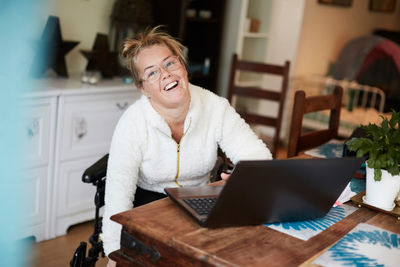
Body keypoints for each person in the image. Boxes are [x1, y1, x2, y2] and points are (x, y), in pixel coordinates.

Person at [101, 26, 272, 266]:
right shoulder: (132, 123)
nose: (165, 74)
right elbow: (118, 195)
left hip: (199, 201)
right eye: (151, 73)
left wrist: (247, 177)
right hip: (149, 205)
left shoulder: (215, 107)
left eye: (170, 63)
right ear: (143, 88)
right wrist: (114, 254)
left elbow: (257, 156)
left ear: (183, 65)